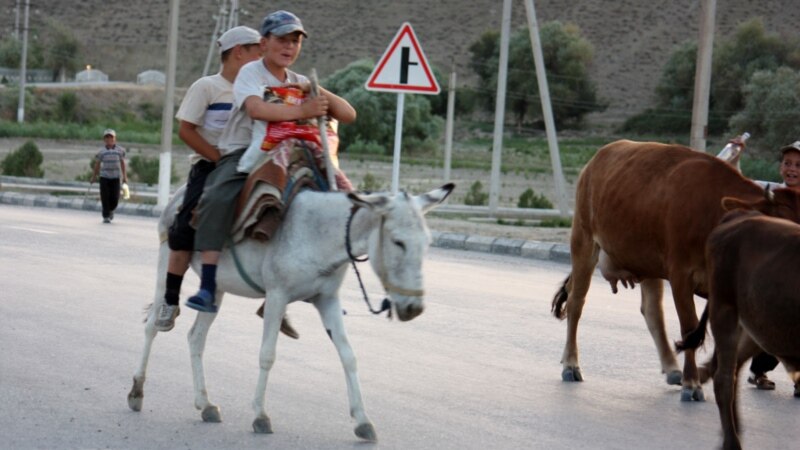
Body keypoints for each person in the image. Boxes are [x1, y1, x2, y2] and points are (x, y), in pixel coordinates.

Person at [185, 10, 357, 313]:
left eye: (295, 41)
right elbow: (256, 110)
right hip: (246, 150)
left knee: (332, 196)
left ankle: (321, 284)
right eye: (282, 40)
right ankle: (208, 284)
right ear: (263, 43)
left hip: (291, 150)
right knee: (219, 195)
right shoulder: (251, 74)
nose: (289, 47)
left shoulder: (300, 80)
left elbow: (348, 114)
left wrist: (314, 91)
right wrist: (304, 111)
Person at [154, 26, 264, 331]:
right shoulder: (207, 87)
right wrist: (219, 159)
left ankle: (279, 298)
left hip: (254, 165)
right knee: (185, 226)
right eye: (258, 50)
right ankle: (170, 300)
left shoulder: (259, 87)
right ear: (239, 51)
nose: (263, 55)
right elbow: (186, 129)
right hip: (212, 167)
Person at [747, 140, 800, 390]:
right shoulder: (770, 192)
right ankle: (760, 371)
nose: (792, 169)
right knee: (778, 328)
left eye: (799, 165)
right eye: (788, 163)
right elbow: (737, 181)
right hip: (774, 277)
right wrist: (736, 155)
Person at [91, 129, 127, 223]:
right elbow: (97, 164)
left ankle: (111, 210)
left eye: (111, 137)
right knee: (105, 197)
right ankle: (106, 215)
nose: (109, 139)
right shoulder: (101, 152)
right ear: (104, 140)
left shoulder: (120, 150)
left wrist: (124, 177)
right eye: (107, 137)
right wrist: (94, 176)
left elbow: (122, 163)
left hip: (115, 177)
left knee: (115, 197)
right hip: (104, 177)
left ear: (115, 139)